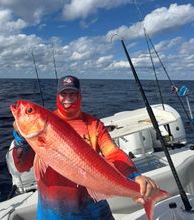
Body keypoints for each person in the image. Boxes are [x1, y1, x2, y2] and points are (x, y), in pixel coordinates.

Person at [11, 75, 159, 219]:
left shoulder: (94, 125)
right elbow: (22, 166)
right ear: (57, 96)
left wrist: (135, 176)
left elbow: (113, 153)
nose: (68, 98)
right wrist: (20, 138)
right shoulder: (44, 127)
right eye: (64, 94)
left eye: (73, 94)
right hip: (53, 214)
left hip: (94, 212)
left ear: (80, 96)